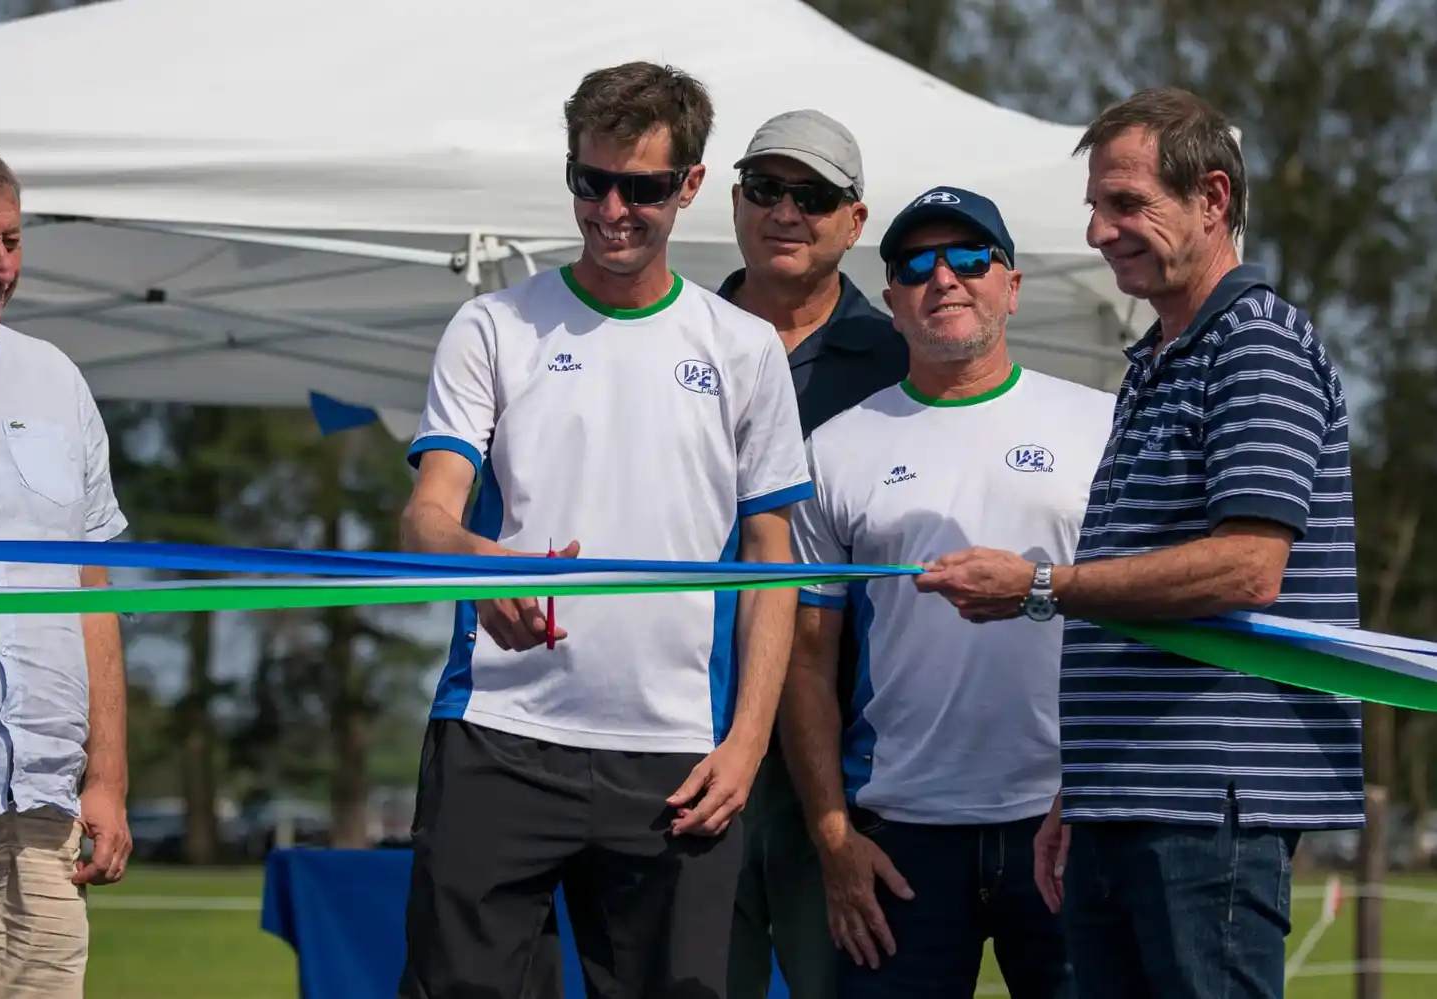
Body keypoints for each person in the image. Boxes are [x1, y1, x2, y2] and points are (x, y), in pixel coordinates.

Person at [915, 87, 1363, 999]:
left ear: (1212, 198)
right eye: (1094, 206)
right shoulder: (1159, 359)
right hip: (1129, 799)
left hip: (1207, 805)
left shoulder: (1255, 344)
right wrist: (1083, 788)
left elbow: (1250, 565)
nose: (1098, 230)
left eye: (1126, 204)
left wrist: (1043, 585)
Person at [396, 61, 813, 999]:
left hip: (678, 759)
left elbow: (771, 565)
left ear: (691, 188)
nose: (612, 208)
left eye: (644, 187)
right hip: (497, 735)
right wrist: (477, 564)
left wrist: (747, 743)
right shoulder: (493, 325)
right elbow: (428, 515)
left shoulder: (742, 347)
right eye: (593, 181)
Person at [783, 185, 1110, 999]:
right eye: (917, 264)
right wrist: (833, 839)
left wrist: (1098, 790)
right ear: (891, 298)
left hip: (1066, 821)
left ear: (1011, 283)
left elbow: (1139, 624)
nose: (945, 278)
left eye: (970, 258)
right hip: (903, 840)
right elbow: (805, 661)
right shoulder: (836, 446)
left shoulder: (1102, 424)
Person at [716, 110, 907, 999]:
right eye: (766, 188)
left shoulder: (906, 361)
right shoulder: (673, 339)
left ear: (855, 221)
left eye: (815, 195)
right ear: (733, 202)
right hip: (684, 732)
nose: (786, 211)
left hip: (846, 762)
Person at [0, 130, 132, 999]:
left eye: (11, 240)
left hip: (36, 814)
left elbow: (89, 585)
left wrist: (108, 778)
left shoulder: (55, 379)